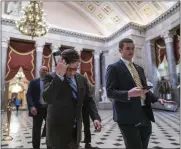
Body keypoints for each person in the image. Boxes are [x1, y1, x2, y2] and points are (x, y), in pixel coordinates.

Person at [105, 38, 167, 149]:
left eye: (133, 48)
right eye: (128, 48)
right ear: (120, 50)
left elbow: (144, 90)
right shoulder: (113, 68)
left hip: (144, 113)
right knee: (134, 146)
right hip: (126, 116)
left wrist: (157, 99)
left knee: (144, 145)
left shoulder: (139, 68)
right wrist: (128, 93)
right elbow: (110, 92)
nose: (131, 51)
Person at [43, 49, 102, 149]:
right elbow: (47, 98)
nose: (73, 72)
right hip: (57, 132)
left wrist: (95, 118)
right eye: (69, 69)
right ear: (62, 64)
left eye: (76, 69)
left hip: (76, 131)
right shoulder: (51, 77)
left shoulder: (81, 79)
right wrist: (59, 76)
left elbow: (89, 100)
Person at [26, 66, 48, 149]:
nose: (45, 71)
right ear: (39, 71)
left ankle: (49, 145)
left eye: (46, 70)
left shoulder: (51, 82)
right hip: (37, 109)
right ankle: (36, 147)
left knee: (49, 127)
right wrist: (31, 106)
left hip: (48, 109)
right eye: (43, 70)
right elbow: (29, 95)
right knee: (36, 129)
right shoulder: (33, 82)